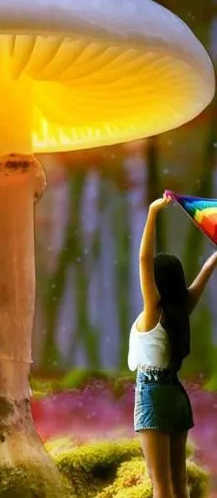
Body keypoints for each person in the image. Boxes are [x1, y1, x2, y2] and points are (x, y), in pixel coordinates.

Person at [128, 193, 217, 498]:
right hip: (177, 396)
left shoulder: (155, 310)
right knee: (178, 482)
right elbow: (204, 274)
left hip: (153, 393)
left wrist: (153, 213)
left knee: (160, 484)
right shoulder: (181, 308)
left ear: (155, 281)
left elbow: (142, 259)